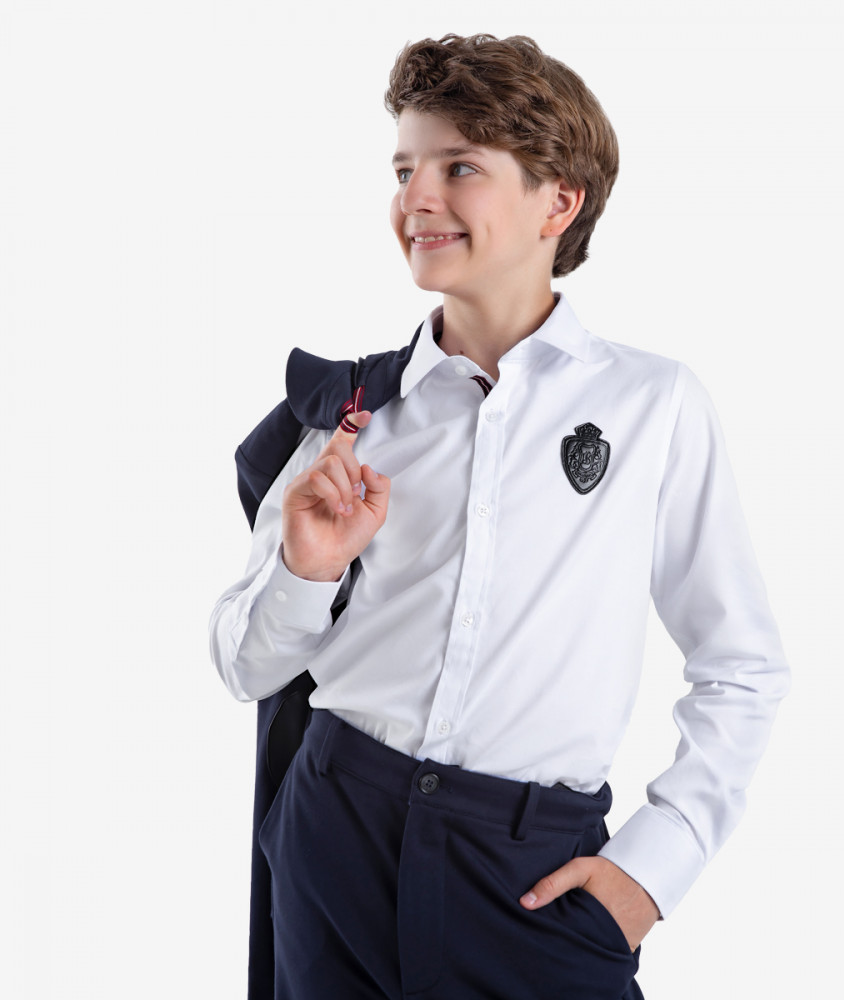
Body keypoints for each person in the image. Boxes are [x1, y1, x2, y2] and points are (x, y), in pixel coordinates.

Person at [210, 32, 790, 1000]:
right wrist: (307, 569)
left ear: (558, 201)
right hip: (336, 837)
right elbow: (244, 666)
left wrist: (652, 869)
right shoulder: (350, 418)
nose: (416, 198)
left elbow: (741, 665)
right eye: (404, 169)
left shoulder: (652, 406)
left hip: (529, 871)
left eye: (459, 167)